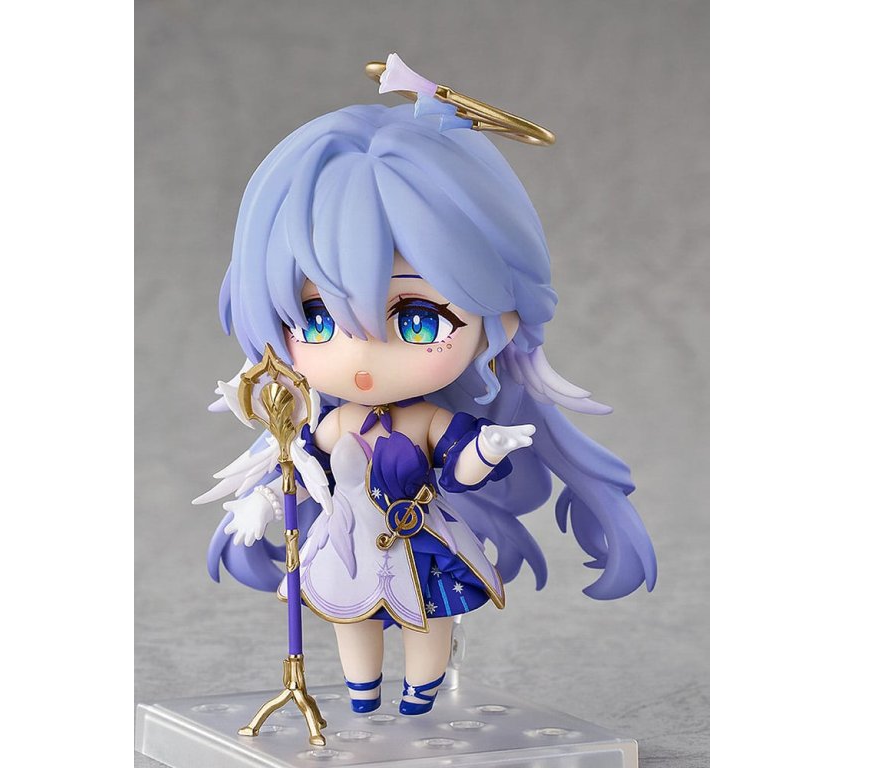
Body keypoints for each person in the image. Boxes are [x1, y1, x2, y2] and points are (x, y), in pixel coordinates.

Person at [197, 102, 656, 716]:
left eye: (418, 320)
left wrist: (487, 449)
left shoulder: (427, 420)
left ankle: (420, 693)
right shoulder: (331, 423)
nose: (361, 355)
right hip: (349, 540)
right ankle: (362, 695)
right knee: (350, 615)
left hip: (420, 537)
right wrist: (262, 500)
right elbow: (301, 471)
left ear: (502, 317)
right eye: (317, 319)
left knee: (429, 617)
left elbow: (459, 467)